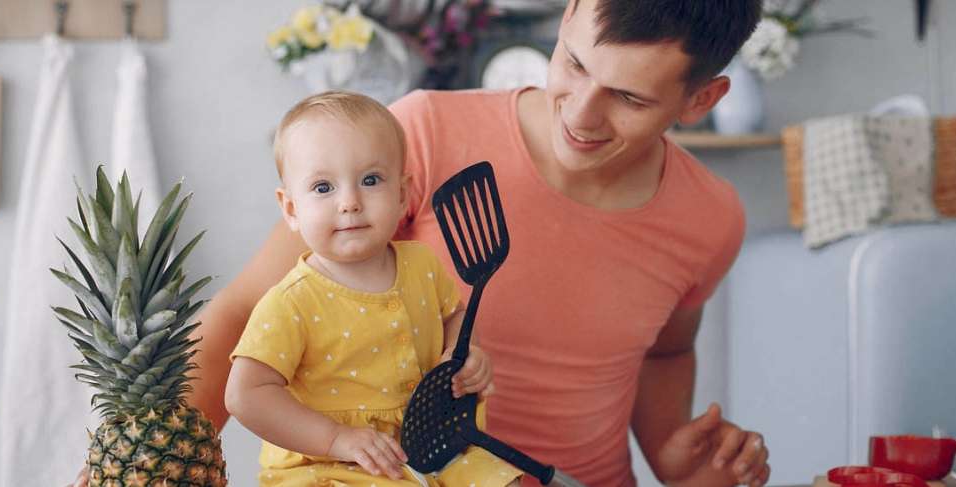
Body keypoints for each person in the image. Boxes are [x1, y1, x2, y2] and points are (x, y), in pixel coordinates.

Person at [74, 1, 770, 486]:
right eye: (574, 64)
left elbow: (665, 351)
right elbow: (244, 315)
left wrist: (673, 457)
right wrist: (147, 470)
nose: (581, 112)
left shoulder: (711, 218)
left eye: (629, 98)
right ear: (567, 16)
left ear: (700, 99)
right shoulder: (420, 134)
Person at [225, 91, 523, 486]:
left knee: (504, 480)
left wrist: (463, 352)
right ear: (291, 209)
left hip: (433, 441)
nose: (349, 202)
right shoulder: (292, 302)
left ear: (401, 195)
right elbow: (246, 395)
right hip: (334, 465)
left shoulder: (422, 265)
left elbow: (456, 314)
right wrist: (335, 439)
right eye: (323, 187)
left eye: (370, 180)